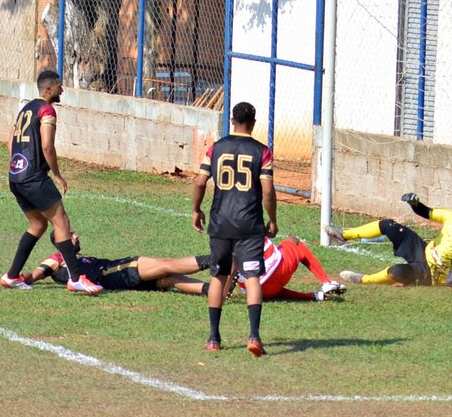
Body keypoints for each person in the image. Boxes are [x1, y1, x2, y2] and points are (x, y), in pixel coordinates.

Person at [0, 70, 102, 295]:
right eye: (59, 86)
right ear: (48, 90)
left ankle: (12, 275)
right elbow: (47, 146)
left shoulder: (24, 110)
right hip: (34, 178)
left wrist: (19, 165)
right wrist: (56, 174)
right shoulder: (47, 110)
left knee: (38, 225)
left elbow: (10, 143)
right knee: (61, 221)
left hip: (16, 177)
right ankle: (76, 279)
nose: (62, 90)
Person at [192, 101, 278, 357]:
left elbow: (199, 182)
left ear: (232, 120)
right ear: (253, 123)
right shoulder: (262, 151)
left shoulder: (216, 148)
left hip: (220, 222)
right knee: (252, 277)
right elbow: (268, 191)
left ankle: (213, 338)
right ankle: (253, 335)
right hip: (249, 224)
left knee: (218, 276)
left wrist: (196, 210)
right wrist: (272, 220)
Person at [326, 193, 452, 292]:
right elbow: (427, 212)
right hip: (423, 249)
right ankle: (343, 235)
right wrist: (415, 203)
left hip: (429, 274)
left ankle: (362, 279)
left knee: (396, 272)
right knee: (388, 225)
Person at [22, 230, 212, 295]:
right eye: (71, 235)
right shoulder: (56, 260)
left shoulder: (75, 259)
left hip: (115, 278)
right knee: (165, 264)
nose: (76, 236)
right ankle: (216, 259)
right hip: (114, 271)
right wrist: (21, 277)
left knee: (169, 278)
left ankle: (213, 291)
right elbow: (33, 276)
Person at [231, 235, 346, 301]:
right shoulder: (249, 210)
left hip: (254, 291)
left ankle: (314, 296)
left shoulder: (222, 224)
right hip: (276, 269)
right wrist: (272, 222)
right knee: (292, 241)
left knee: (271, 289)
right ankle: (326, 281)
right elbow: (268, 195)